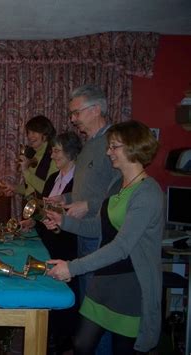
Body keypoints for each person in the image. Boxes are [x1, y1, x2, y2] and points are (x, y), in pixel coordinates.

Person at [44, 120, 163, 354]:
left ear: (133, 148)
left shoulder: (148, 192)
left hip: (130, 283)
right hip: (107, 276)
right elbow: (100, 227)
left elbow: (121, 247)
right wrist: (64, 221)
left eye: (114, 146)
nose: (108, 152)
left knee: (122, 349)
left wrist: (72, 267)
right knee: (81, 343)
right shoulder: (117, 183)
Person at [46, 85, 121, 300]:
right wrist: (65, 198)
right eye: (71, 114)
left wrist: (89, 205)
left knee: (95, 300)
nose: (72, 119)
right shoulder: (90, 144)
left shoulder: (113, 143)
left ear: (96, 109)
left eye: (76, 113)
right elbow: (87, 190)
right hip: (83, 230)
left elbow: (122, 193)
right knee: (86, 296)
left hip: (100, 234)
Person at [23, 131, 82, 353]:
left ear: (70, 152)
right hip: (48, 241)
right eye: (53, 150)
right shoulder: (52, 178)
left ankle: (62, 340)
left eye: (57, 151)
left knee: (64, 293)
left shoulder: (78, 182)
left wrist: (57, 225)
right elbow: (46, 211)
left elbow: (78, 218)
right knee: (49, 287)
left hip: (66, 244)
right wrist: (33, 221)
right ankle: (48, 334)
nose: (53, 155)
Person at [4, 115, 58, 198]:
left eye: (34, 132)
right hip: (31, 206)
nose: (29, 136)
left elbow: (48, 189)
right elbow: (31, 190)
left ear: (45, 133)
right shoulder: (32, 154)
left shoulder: (54, 156)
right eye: (28, 132)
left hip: (45, 208)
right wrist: (14, 188)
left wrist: (25, 170)